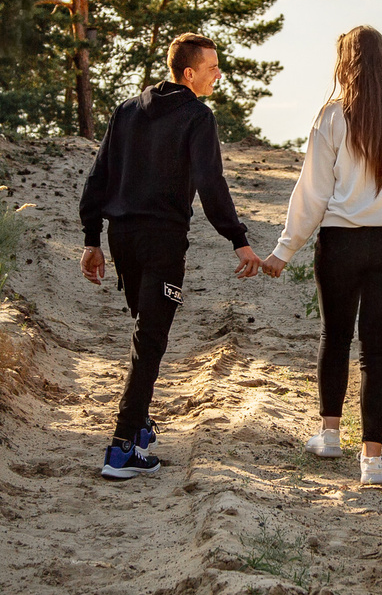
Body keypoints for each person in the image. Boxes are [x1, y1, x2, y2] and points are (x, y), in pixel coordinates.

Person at [79, 33, 262, 480]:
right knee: (151, 340)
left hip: (123, 239)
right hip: (161, 240)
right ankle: (121, 449)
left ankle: (139, 425)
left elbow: (98, 176)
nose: (219, 74)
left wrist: (92, 238)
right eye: (213, 67)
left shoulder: (126, 110)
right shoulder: (197, 116)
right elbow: (210, 181)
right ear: (188, 73)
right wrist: (237, 238)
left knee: (146, 331)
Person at [260, 26, 382, 487]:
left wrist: (283, 250)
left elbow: (312, 192)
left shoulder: (333, 116)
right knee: (378, 352)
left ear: (346, 62)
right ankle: (372, 462)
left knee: (334, 339)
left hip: (342, 243)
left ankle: (330, 435)